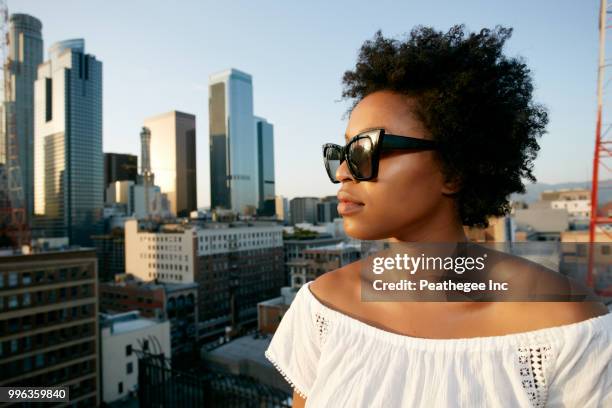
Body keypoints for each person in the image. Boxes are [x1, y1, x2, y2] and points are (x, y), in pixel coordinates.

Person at [265, 25, 611, 407]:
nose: (344, 172)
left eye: (366, 149)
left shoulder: (568, 327)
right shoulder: (322, 308)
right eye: (341, 154)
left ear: (452, 171)